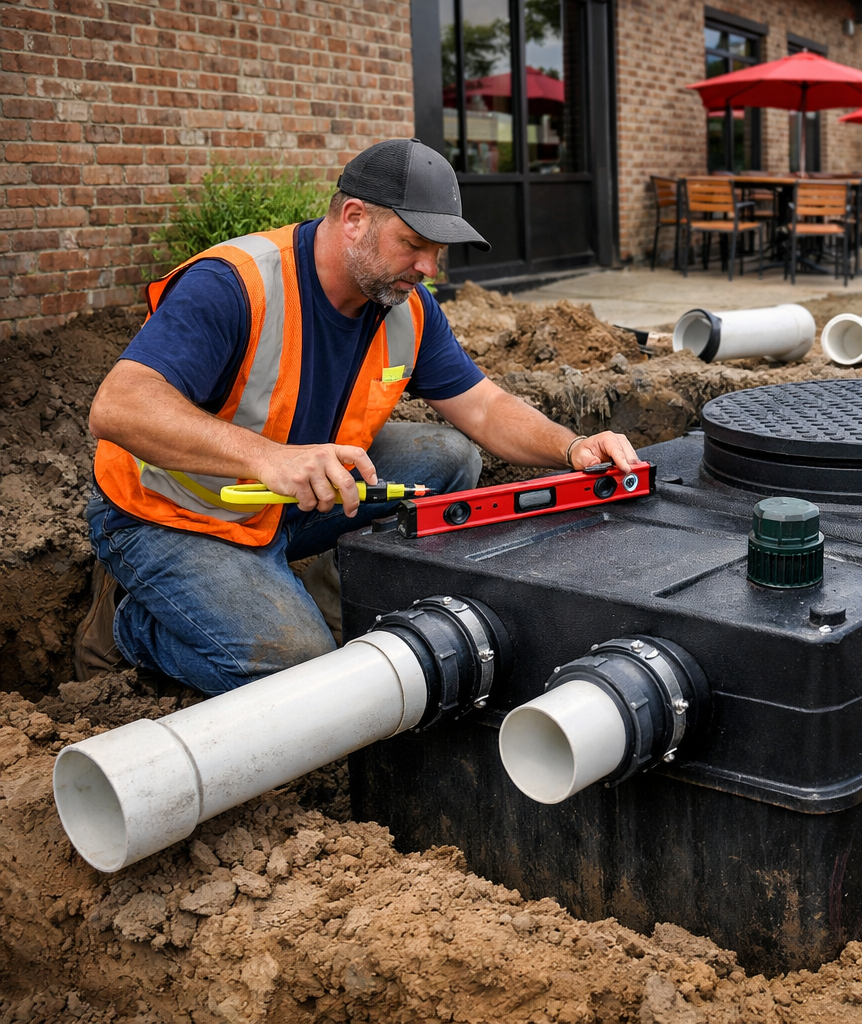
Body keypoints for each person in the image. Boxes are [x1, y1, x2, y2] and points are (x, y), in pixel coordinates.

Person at [76, 139, 637, 694]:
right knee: (302, 678)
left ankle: (325, 605)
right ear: (353, 219)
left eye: (438, 251)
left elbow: (485, 408)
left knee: (449, 456)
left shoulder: (405, 305)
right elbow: (119, 406)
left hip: (286, 503)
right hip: (172, 513)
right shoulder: (234, 284)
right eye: (413, 244)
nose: (428, 268)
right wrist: (269, 458)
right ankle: (132, 627)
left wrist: (573, 447)